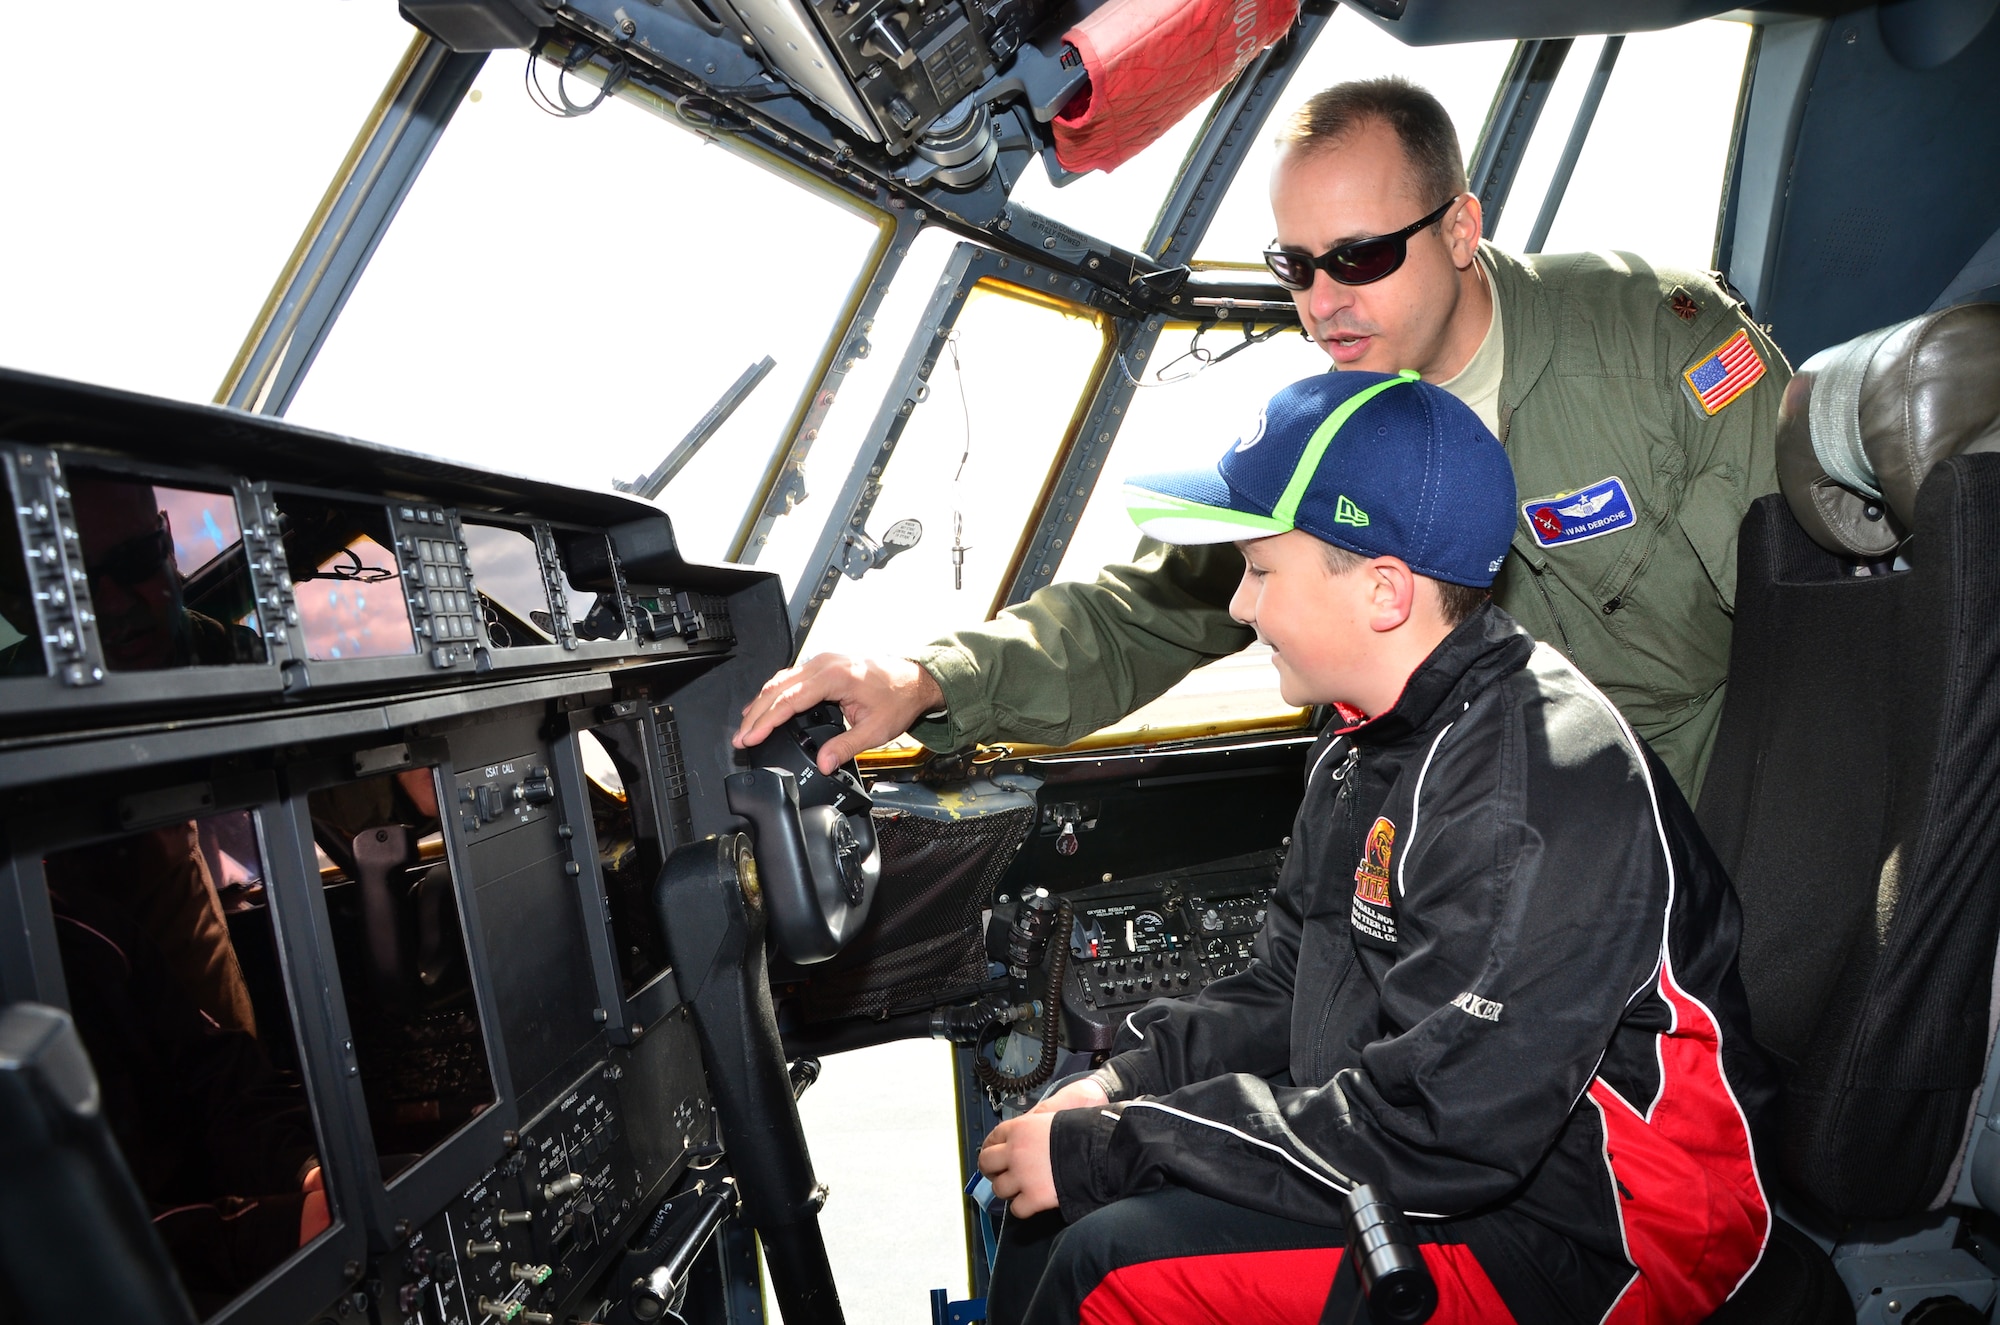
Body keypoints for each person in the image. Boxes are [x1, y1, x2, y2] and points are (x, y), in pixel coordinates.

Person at [974, 371, 1774, 1324]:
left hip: (1605, 1232)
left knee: (1106, 1262)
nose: (1240, 605)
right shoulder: (1364, 735)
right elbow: (1289, 983)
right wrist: (1117, 1084)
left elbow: (1446, 1133)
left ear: (1385, 591)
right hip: (1454, 1150)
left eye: (1262, 570)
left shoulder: (1536, 786)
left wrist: (1121, 1143)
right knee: (1051, 1217)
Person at [735, 77, 1786, 801]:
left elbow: (1814, 619)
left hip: (1715, 817)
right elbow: (1140, 613)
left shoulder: (1652, 346)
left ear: (1459, 230)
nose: (1322, 302)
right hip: (1486, 843)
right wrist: (925, 679)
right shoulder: (1322, 433)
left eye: (1360, 257)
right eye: (1295, 267)